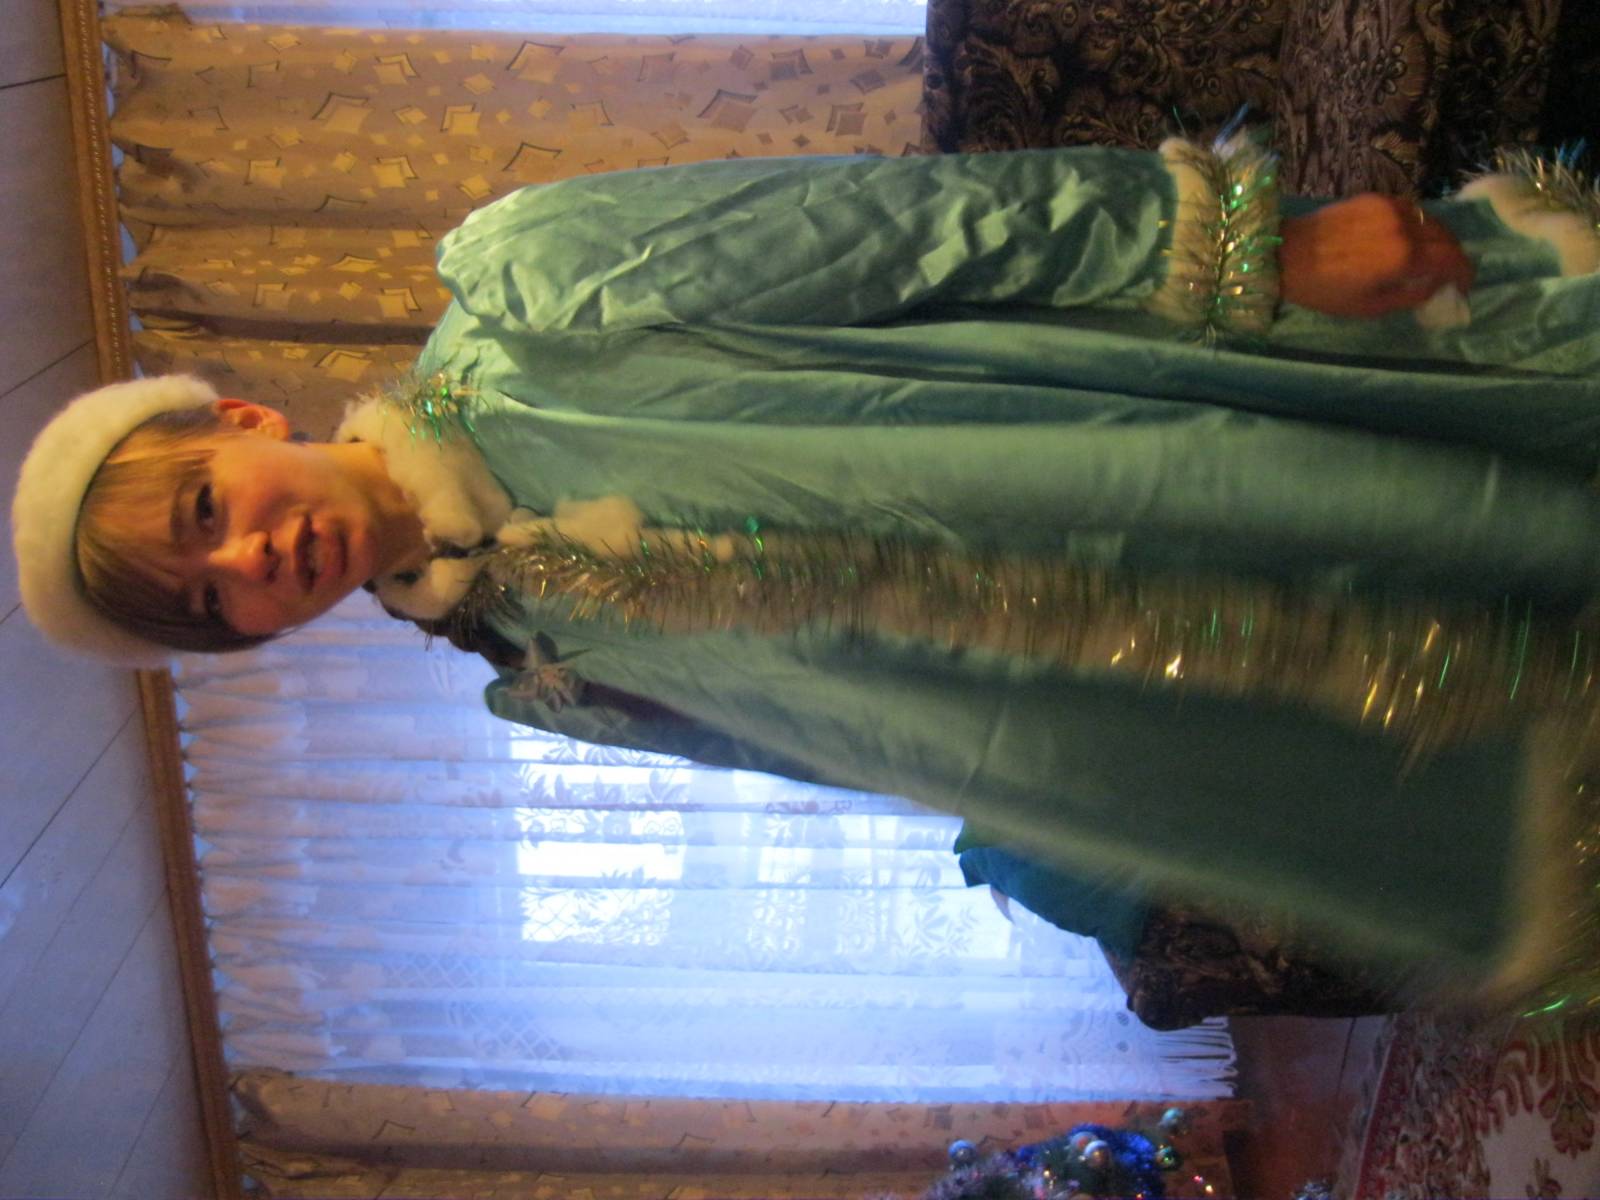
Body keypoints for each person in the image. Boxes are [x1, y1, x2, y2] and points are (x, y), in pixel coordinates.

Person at [14, 137, 1600, 1008]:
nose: (252, 557)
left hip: (1141, 450)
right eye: (213, 599)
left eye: (208, 507)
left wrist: (1256, 251)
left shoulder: (523, 291)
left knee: (1477, 509)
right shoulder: (536, 672)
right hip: (1166, 701)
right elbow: (840, 741)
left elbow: (903, 225)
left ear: (241, 421)